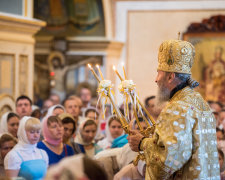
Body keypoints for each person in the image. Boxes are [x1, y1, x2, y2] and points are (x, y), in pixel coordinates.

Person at [128, 39, 220, 179]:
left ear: (170, 77)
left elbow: (168, 162)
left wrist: (142, 143)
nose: (156, 79)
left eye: (159, 73)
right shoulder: (200, 103)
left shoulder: (176, 108)